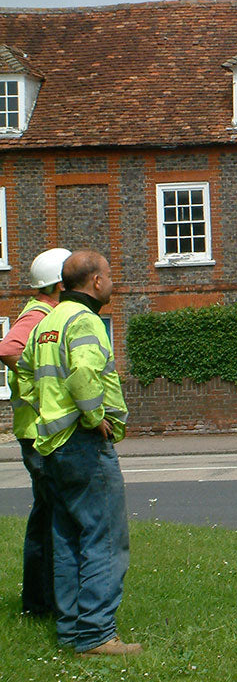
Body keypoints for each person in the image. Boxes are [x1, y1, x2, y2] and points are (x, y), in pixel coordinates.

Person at [19, 250, 139, 656]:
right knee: (104, 538)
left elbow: (24, 372)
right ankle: (97, 634)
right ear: (95, 282)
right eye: (110, 274)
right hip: (83, 445)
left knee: (67, 537)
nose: (113, 282)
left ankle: (71, 631)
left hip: (51, 445)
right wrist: (94, 418)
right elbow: (83, 373)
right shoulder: (84, 320)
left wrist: (44, 411)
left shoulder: (46, 321)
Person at [0, 247, 71, 615]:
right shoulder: (42, 314)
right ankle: (48, 603)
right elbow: (9, 347)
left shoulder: (44, 311)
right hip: (38, 434)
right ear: (60, 284)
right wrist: (38, 389)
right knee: (54, 518)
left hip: (35, 432)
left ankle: (39, 603)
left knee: (44, 516)